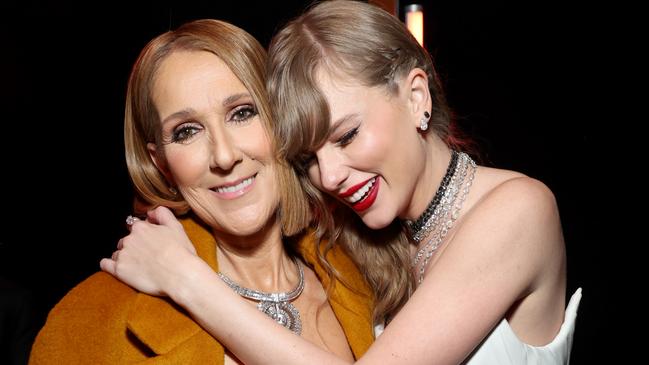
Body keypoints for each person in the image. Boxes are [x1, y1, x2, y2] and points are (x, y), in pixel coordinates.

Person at [101, 1, 582, 364]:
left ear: (416, 97)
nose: (328, 176)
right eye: (308, 156)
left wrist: (186, 279)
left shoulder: (519, 208)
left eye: (347, 135)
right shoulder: (358, 244)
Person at [28, 18, 376, 364]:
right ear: (161, 163)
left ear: (281, 120)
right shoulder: (89, 322)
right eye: (186, 132)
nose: (224, 156)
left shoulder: (369, 276)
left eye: (242, 113)